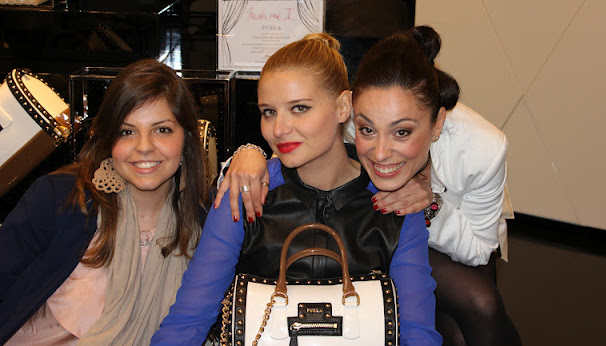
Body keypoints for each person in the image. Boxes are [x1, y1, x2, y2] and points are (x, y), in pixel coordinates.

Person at [218, 26, 522, 346]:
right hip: (376, 233)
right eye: (368, 130)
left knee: (481, 303)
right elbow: (289, 151)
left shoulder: (483, 149)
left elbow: (479, 250)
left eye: (401, 132)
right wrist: (248, 153)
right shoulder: (350, 120)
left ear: (437, 124)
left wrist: (430, 205)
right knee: (452, 332)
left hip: (458, 244)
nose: (380, 153)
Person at [152, 33, 441, 345]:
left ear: (343, 106)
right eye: (269, 111)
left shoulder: (397, 204)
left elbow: (417, 332)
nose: (278, 129)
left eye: (299, 108)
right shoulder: (245, 194)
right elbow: (189, 320)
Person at [0, 59, 210, 345]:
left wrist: (251, 155)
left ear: (186, 137)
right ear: (110, 139)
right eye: (127, 131)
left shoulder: (209, 217)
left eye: (161, 130)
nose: (144, 146)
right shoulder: (58, 198)